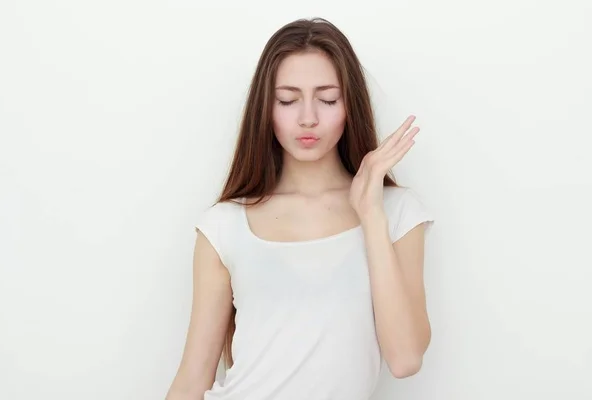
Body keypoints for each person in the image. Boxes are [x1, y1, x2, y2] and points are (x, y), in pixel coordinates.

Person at [166, 17, 435, 400]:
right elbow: (193, 379)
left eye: (327, 99)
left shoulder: (396, 213)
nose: (308, 117)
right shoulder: (224, 225)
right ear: (266, 107)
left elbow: (406, 358)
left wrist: (370, 213)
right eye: (288, 100)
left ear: (349, 105)